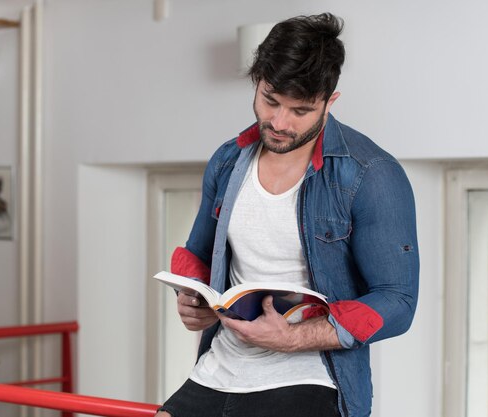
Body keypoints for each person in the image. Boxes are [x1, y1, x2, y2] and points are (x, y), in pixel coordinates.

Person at [155, 12, 419, 417]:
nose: (278, 122)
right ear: (257, 82)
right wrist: (193, 300)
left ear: (329, 102)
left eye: (300, 110)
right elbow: (199, 256)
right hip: (218, 368)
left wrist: (293, 338)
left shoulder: (371, 174)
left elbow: (398, 301)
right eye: (270, 101)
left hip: (310, 378)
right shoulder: (228, 160)